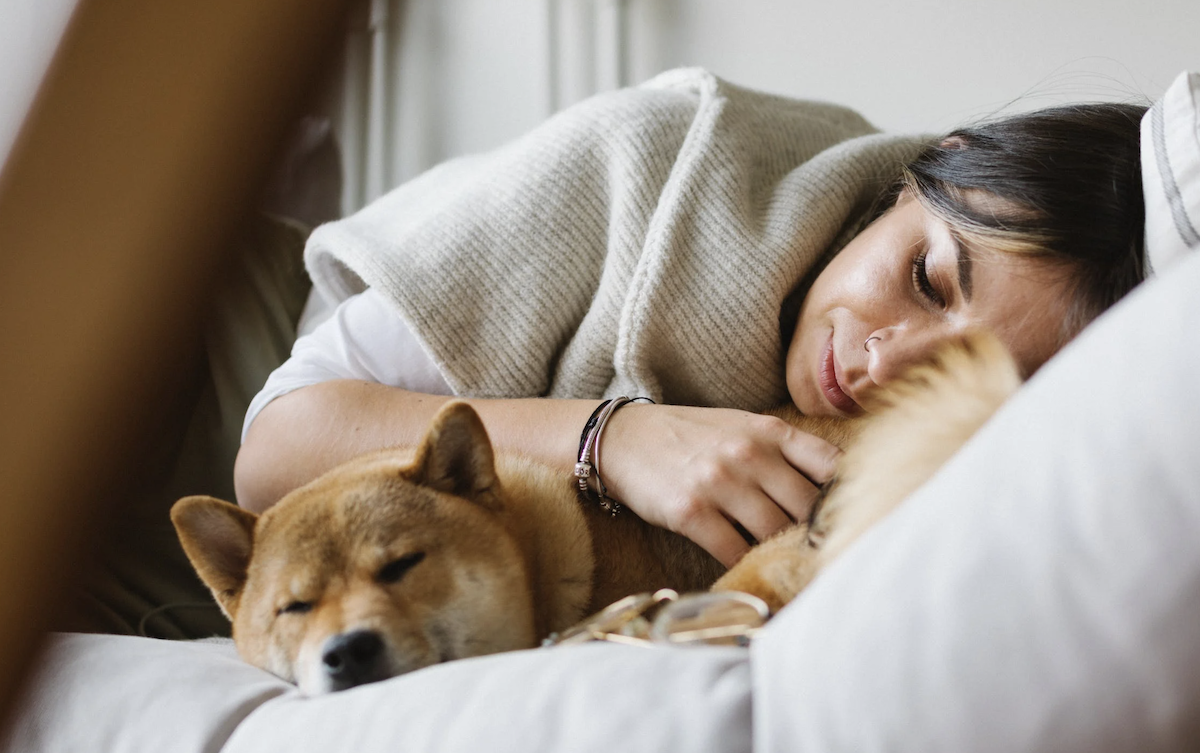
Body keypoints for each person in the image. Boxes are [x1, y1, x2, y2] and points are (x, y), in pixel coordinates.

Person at [235, 72, 1147, 569]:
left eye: (960, 374)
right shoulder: (656, 155)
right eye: (927, 278)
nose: (884, 364)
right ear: (933, 166)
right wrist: (614, 438)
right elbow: (273, 453)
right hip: (224, 368)